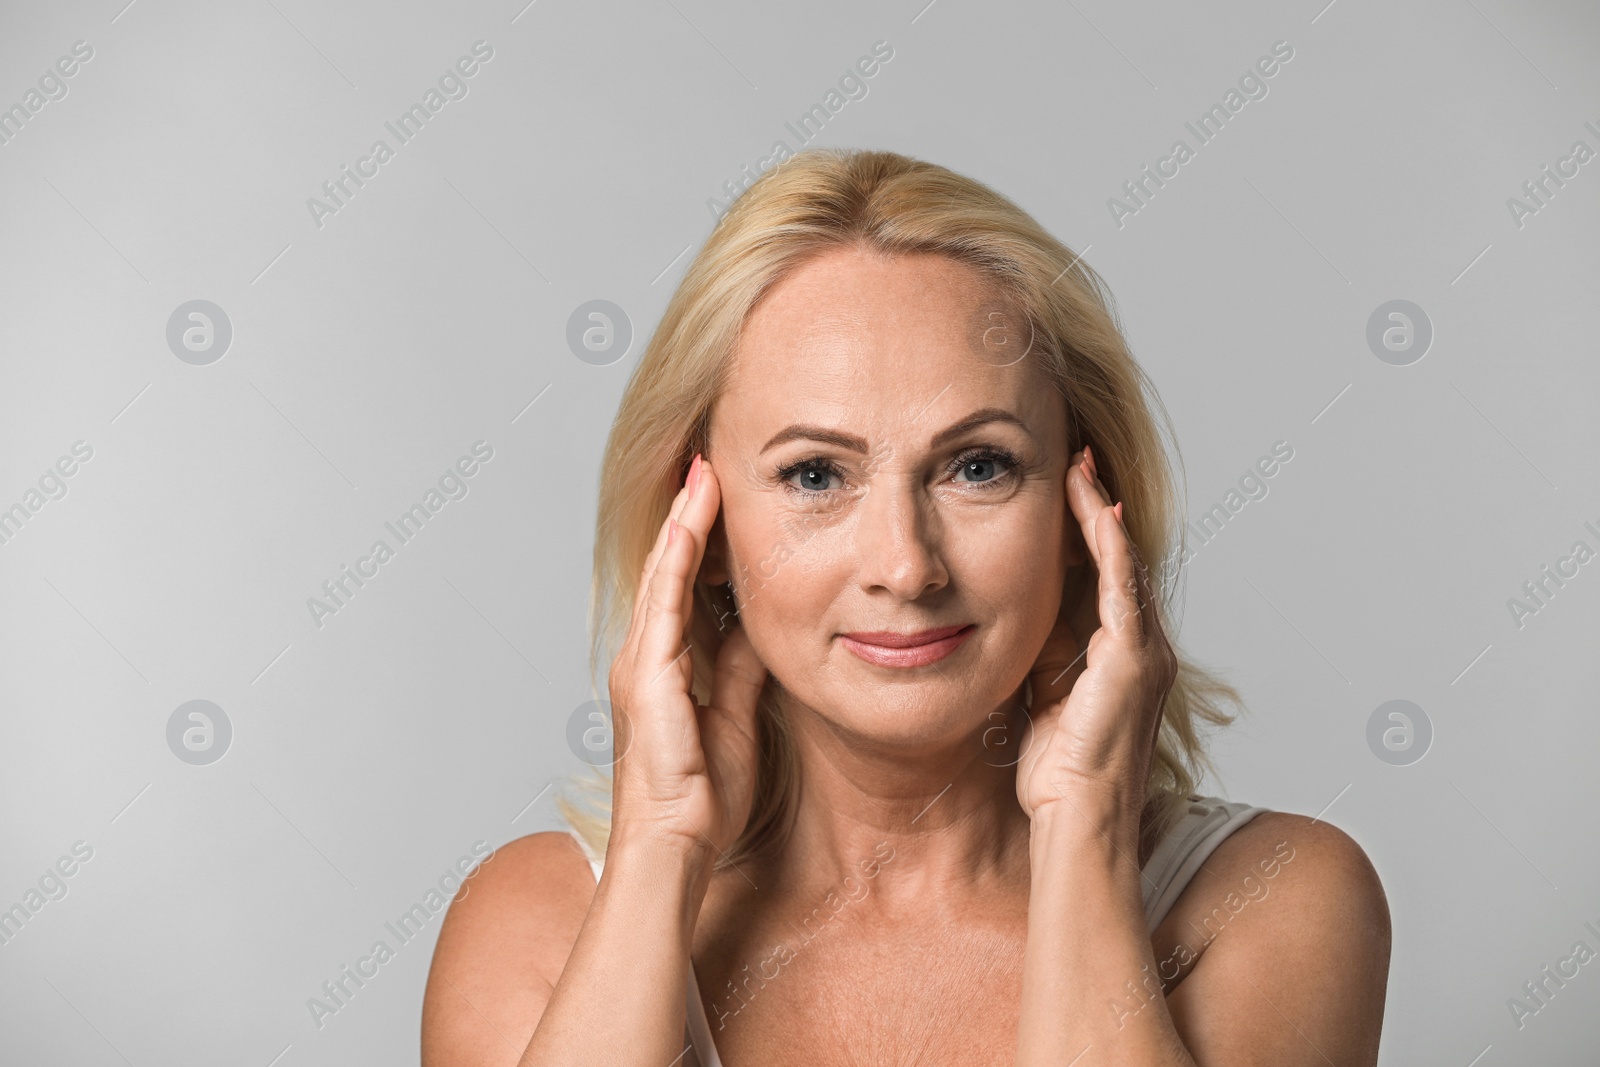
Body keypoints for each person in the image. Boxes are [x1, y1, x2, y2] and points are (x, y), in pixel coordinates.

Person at [420, 148, 1391, 1066]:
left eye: (978, 466)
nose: (904, 563)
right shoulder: (535, 918)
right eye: (813, 473)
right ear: (703, 522)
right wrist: (661, 839)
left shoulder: (1274, 902)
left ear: (1079, 505)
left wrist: (1082, 834)